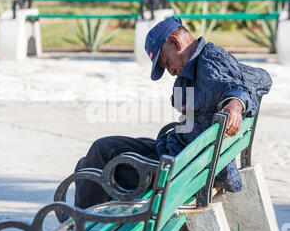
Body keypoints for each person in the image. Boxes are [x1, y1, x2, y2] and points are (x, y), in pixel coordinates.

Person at [74, 17, 272, 209]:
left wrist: (235, 104)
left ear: (174, 42)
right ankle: (84, 219)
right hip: (181, 155)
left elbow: (235, 88)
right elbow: (262, 78)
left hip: (179, 170)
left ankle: (80, 229)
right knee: (99, 153)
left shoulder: (207, 63)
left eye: (165, 62)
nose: (169, 71)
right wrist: (235, 99)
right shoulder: (201, 64)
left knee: (97, 161)